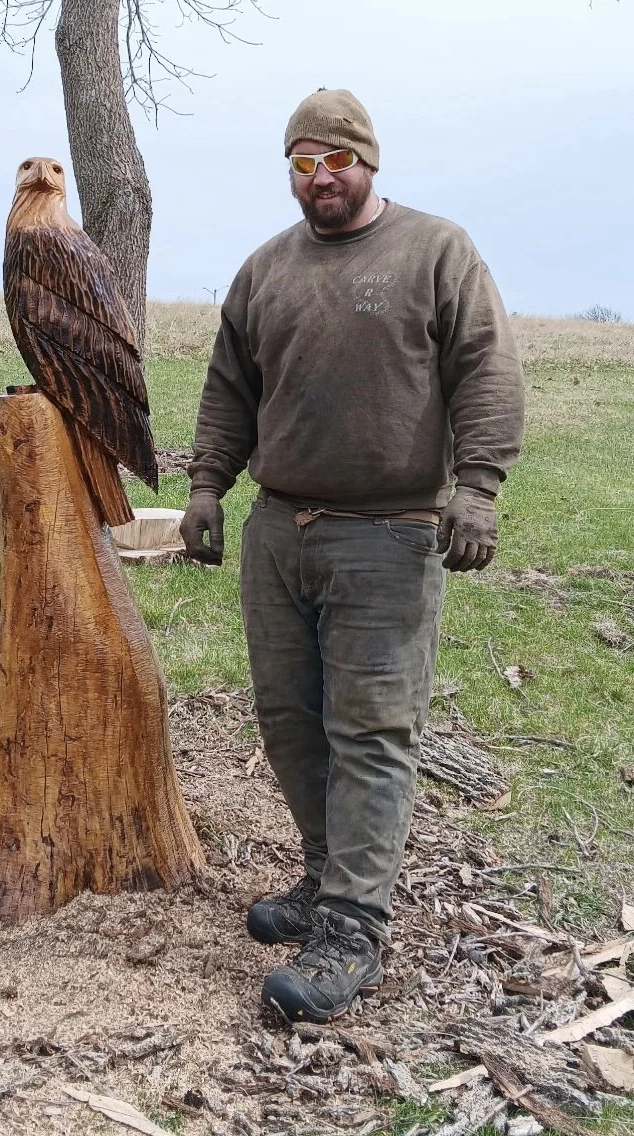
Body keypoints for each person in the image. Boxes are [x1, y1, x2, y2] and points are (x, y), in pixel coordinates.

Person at [180, 88, 524, 1023]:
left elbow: (487, 366)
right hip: (279, 530)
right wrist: (209, 483)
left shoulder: (434, 252)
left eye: (336, 159)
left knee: (369, 733)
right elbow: (229, 388)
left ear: (370, 162)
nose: (320, 177)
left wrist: (479, 489)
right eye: (303, 162)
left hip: (390, 534)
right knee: (291, 721)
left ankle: (354, 933)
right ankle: (326, 877)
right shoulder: (265, 271)